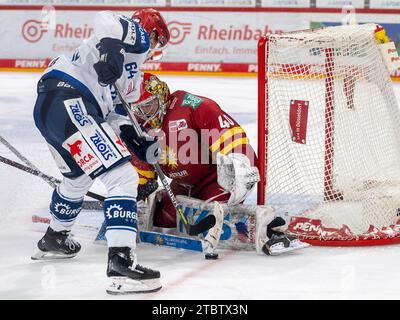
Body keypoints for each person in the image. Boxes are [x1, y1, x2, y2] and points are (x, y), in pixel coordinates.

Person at [31, 9, 170, 295]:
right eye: (158, 42)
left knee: (78, 178)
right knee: (123, 179)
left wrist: (137, 141)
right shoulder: (136, 37)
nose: (155, 50)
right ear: (152, 32)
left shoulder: (132, 82)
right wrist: (111, 50)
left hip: (53, 108)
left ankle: (55, 237)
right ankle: (121, 263)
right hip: (70, 98)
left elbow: (116, 118)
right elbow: (106, 19)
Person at [118, 72, 309, 256]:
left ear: (161, 96)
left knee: (211, 219)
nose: (143, 115)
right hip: (184, 186)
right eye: (138, 110)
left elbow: (230, 135)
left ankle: (268, 227)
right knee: (159, 216)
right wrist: (139, 189)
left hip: (216, 180)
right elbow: (142, 165)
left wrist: (240, 163)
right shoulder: (140, 127)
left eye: (148, 106)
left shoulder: (190, 106)